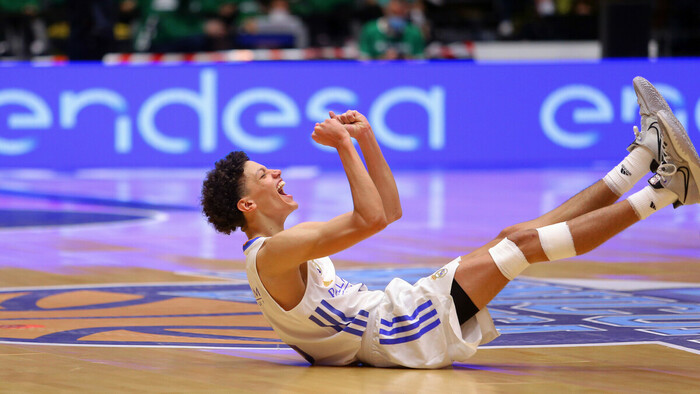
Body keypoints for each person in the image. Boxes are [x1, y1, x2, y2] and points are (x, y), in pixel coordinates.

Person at [200, 77, 700, 368]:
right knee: (523, 245)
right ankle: (669, 189)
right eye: (264, 175)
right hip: (400, 331)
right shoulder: (272, 255)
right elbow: (371, 218)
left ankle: (642, 159)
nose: (278, 172)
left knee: (513, 237)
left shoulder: (280, 246)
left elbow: (389, 213)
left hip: (399, 318)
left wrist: (367, 138)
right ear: (248, 206)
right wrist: (344, 147)